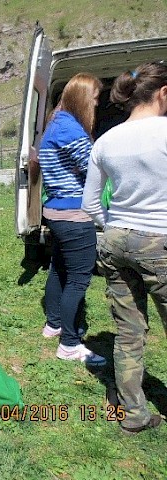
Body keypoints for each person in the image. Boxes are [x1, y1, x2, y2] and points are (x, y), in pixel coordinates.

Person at [82, 62, 167, 435]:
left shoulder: (106, 140)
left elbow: (89, 204)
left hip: (116, 242)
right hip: (160, 241)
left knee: (129, 333)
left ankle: (133, 414)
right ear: (163, 93)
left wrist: (113, 224)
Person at [37, 73, 106, 366]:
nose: (97, 103)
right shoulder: (72, 131)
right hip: (74, 214)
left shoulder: (56, 124)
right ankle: (69, 343)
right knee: (78, 279)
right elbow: (94, 169)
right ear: (82, 98)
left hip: (55, 210)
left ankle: (54, 323)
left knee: (59, 269)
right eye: (95, 98)